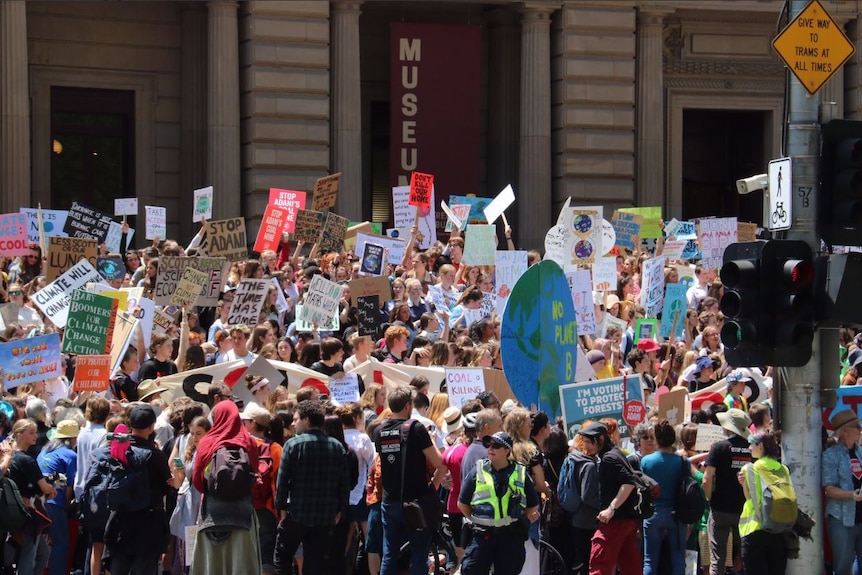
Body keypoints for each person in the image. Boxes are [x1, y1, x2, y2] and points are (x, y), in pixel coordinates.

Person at [374, 386, 447, 575]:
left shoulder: (379, 431)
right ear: (408, 405)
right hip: (415, 501)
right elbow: (439, 461)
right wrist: (429, 440)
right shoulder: (415, 428)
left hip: (390, 501)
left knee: (389, 554)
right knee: (419, 554)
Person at [274, 400, 350, 575]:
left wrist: (281, 508)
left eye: (296, 419)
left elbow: (283, 480)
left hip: (297, 514)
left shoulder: (293, 445)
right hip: (324, 516)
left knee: (282, 556)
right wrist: (340, 510)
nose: (293, 424)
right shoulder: (336, 446)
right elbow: (344, 484)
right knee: (316, 563)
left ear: (306, 420)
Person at [190, 401, 261, 575]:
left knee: (212, 564)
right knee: (242, 563)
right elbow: (255, 474)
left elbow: (198, 481)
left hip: (212, 514)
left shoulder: (207, 442)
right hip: (243, 514)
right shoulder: (248, 442)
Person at [457, 431, 540, 575]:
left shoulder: (520, 473)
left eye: (496, 446)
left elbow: (532, 505)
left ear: (507, 450)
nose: (490, 449)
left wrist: (528, 515)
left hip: (510, 536)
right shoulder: (478, 471)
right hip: (482, 536)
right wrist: (480, 520)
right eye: (488, 445)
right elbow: (462, 503)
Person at [104, 405, 173, 575]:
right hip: (148, 524)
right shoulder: (156, 455)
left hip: (120, 521)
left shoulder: (117, 451)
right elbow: (167, 486)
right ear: (151, 427)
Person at [588, 418, 641, 575]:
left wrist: (611, 508)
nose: (586, 446)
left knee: (599, 566)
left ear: (601, 439)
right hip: (625, 522)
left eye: (589, 442)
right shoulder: (614, 454)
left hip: (614, 523)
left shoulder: (609, 457)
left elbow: (629, 482)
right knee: (631, 566)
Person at [702, 408, 752, 575]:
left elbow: (706, 478)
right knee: (746, 556)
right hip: (745, 509)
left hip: (720, 508)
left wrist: (710, 498)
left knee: (718, 559)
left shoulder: (719, 447)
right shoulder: (753, 448)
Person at [738, 430, 792, 575]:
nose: (749, 448)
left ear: (760, 446)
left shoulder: (750, 468)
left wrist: (744, 484)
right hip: (779, 529)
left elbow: (750, 497)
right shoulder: (783, 469)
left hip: (755, 529)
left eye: (751, 444)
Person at [7, 419, 57, 575]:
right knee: (30, 553)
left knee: (43, 552)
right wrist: (50, 489)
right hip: (28, 512)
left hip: (11, 510)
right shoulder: (26, 460)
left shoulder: (7, 456)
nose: (35, 436)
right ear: (19, 435)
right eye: (31, 432)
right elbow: (44, 487)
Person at [640, 420, 687, 575]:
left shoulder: (646, 461)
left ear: (657, 439)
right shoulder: (682, 461)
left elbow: (642, 489)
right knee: (678, 561)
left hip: (652, 513)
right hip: (677, 514)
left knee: (649, 561)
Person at [36, 419, 79, 575]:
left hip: (39, 501)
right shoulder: (70, 455)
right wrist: (66, 505)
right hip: (55, 502)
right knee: (62, 543)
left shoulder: (44, 451)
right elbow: (69, 487)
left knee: (41, 544)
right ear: (73, 438)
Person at [822, 409, 862, 575]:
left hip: (861, 518)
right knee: (842, 567)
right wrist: (851, 495)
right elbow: (829, 489)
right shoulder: (831, 455)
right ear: (845, 431)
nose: (860, 429)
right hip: (842, 520)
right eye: (857, 426)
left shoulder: (860, 452)